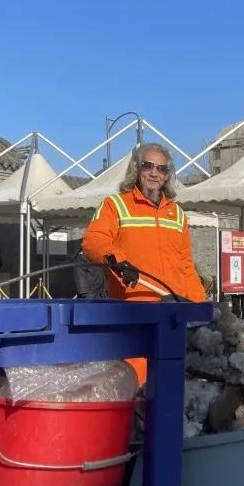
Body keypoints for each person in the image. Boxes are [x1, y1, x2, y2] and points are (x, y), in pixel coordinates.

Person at [83, 143, 207, 384]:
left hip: (172, 311)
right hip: (134, 312)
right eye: (148, 166)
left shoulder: (177, 214)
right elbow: (93, 240)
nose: (154, 173)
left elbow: (185, 264)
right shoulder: (116, 205)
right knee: (135, 382)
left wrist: (199, 306)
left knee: (172, 382)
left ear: (167, 175)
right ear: (136, 169)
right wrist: (117, 260)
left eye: (161, 168)